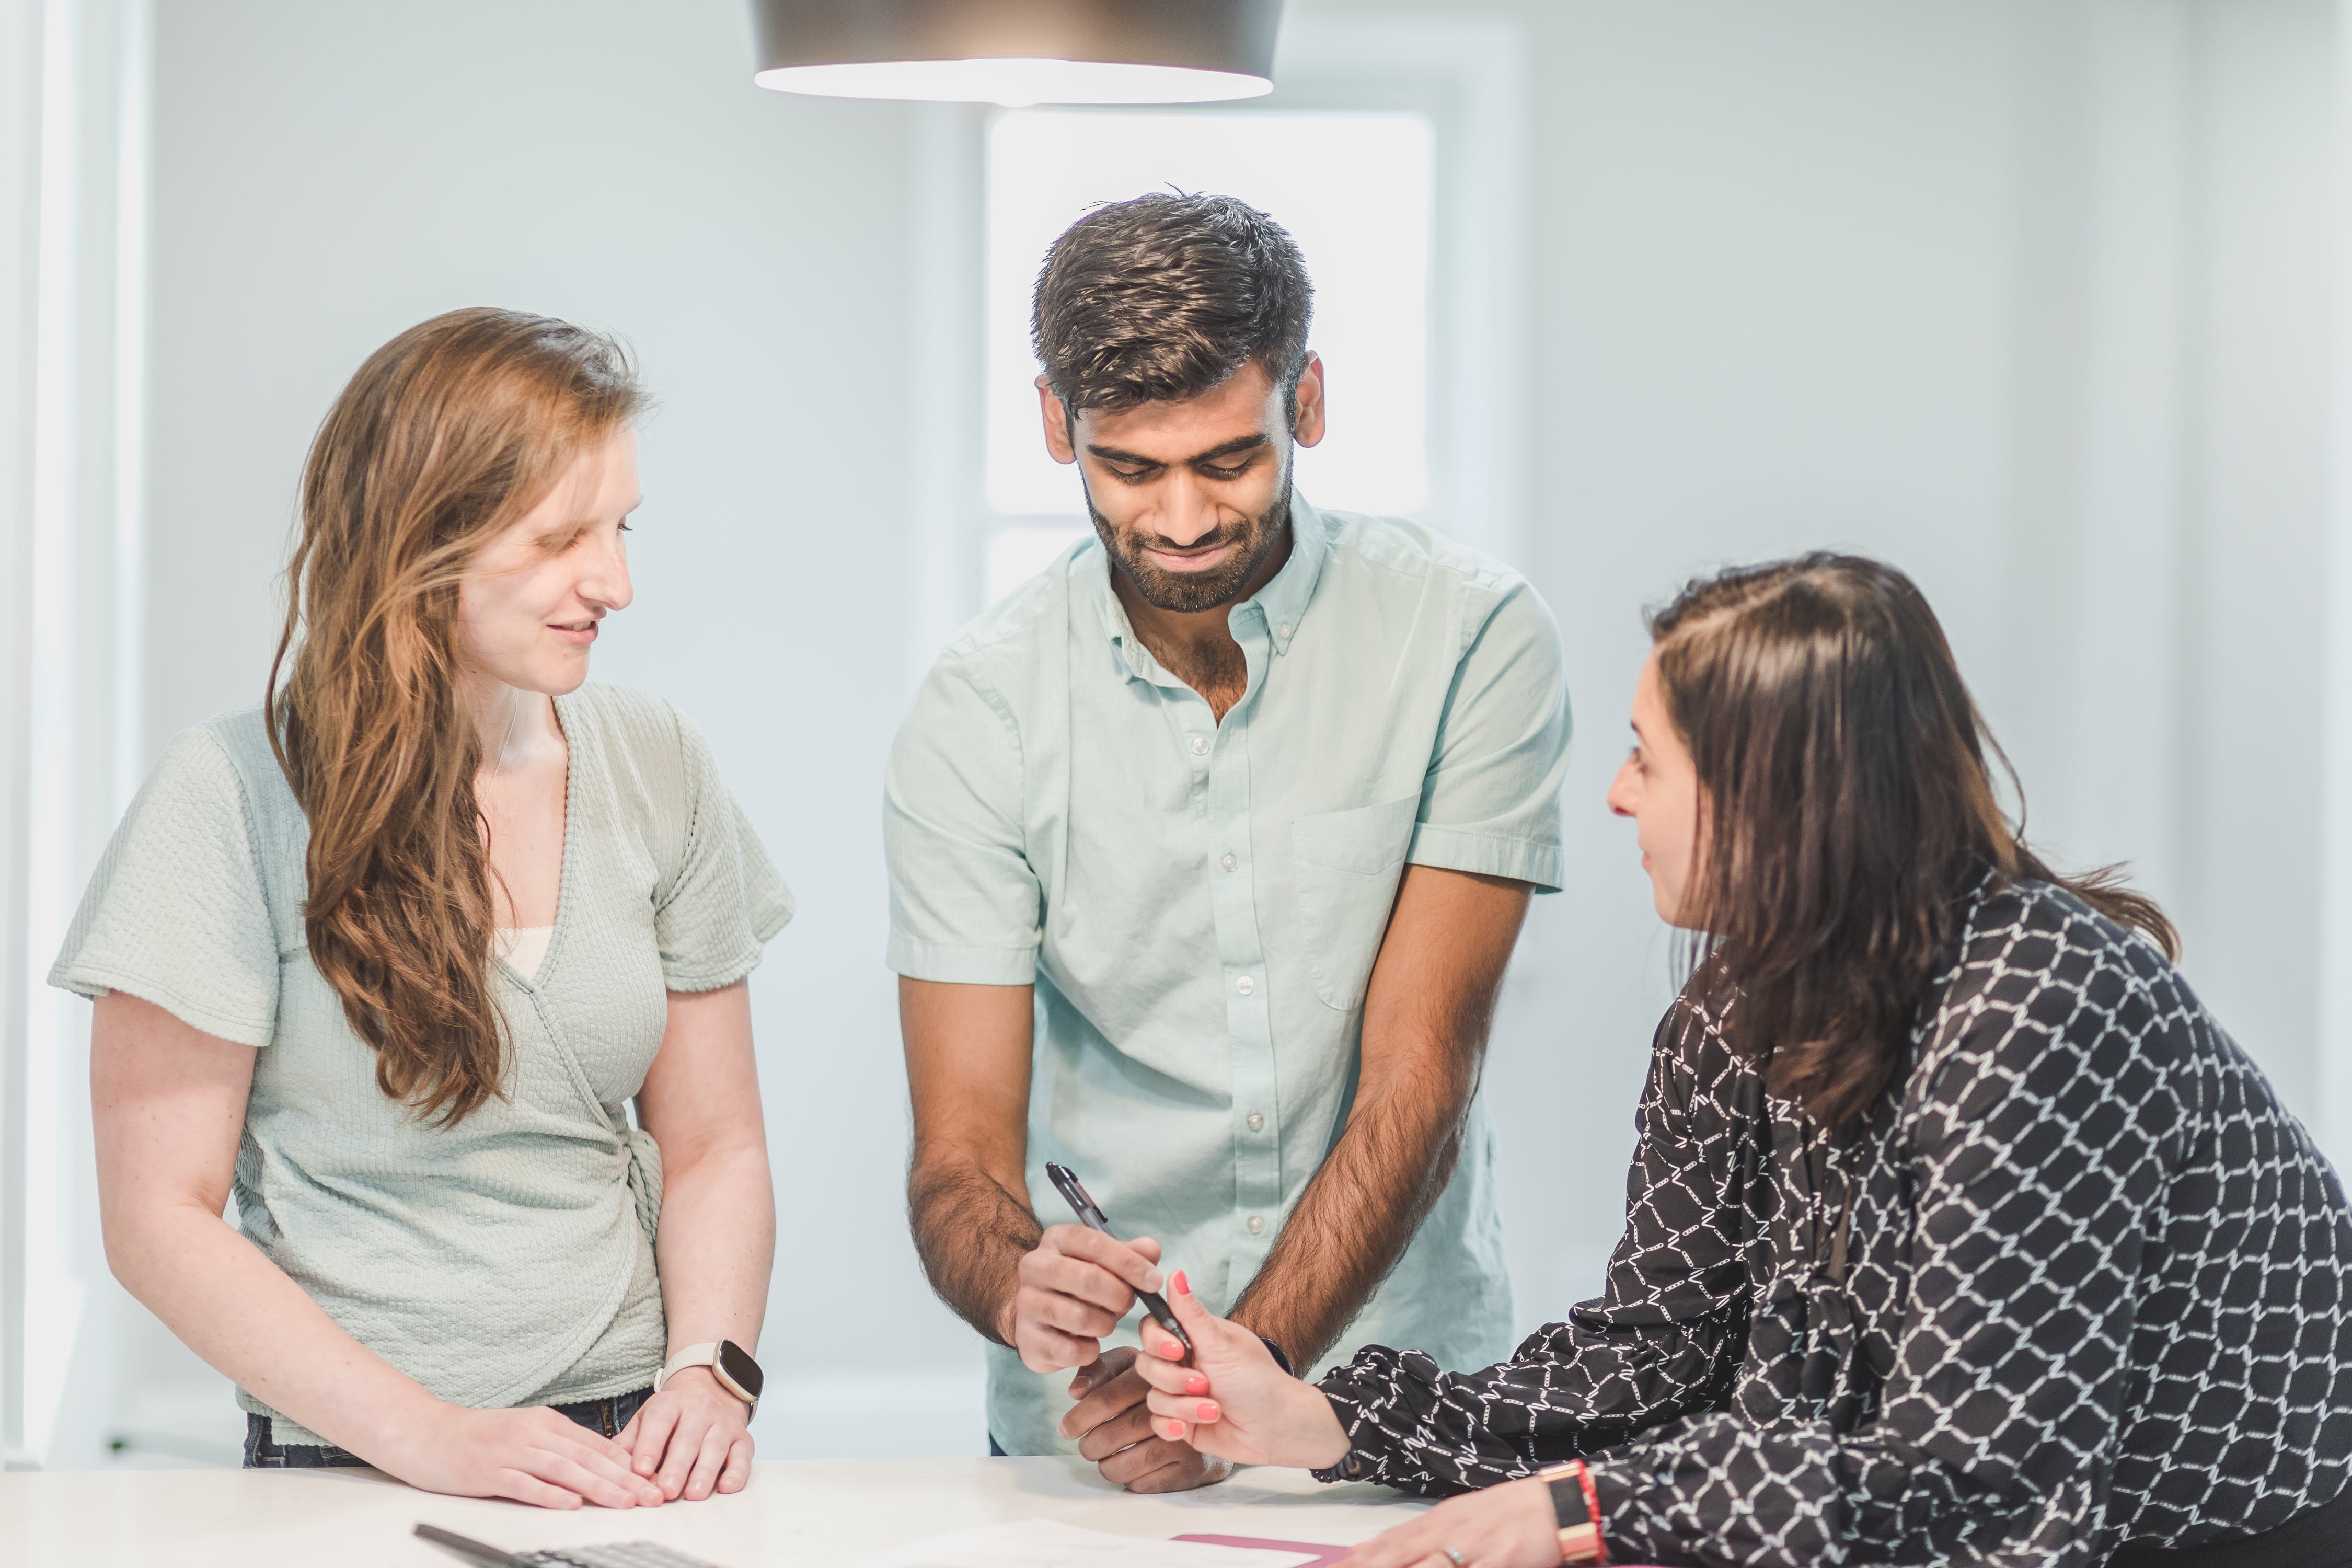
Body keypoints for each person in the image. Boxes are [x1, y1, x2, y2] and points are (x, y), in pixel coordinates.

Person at [1121, 553, 2352, 1567]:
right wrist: (1331, 1423)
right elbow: (1658, 1354)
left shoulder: (2037, 1006)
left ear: (1777, 796)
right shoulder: (1729, 1011)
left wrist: (1582, 1509)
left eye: (1649, 758)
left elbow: (1974, 1468)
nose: (1614, 795)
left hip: (2231, 1535)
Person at [885, 193, 1571, 1489]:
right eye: (1131, 470)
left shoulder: (1471, 640)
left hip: (1394, 1400)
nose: (1184, 520)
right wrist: (1013, 1282)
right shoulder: (979, 709)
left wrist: (1228, 1384)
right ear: (1055, 426)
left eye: (1228, 461)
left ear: (1305, 402)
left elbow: (1420, 1071)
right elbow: (960, 1158)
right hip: (1093, 1434)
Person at [55, 308, 792, 1509]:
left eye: (619, 528)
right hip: (341, 1460)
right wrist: (435, 1440)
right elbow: (157, 1218)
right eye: (563, 538)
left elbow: (718, 1146)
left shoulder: (660, 760)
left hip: (627, 1443)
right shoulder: (230, 795)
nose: (616, 583)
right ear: (421, 544)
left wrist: (712, 1374)